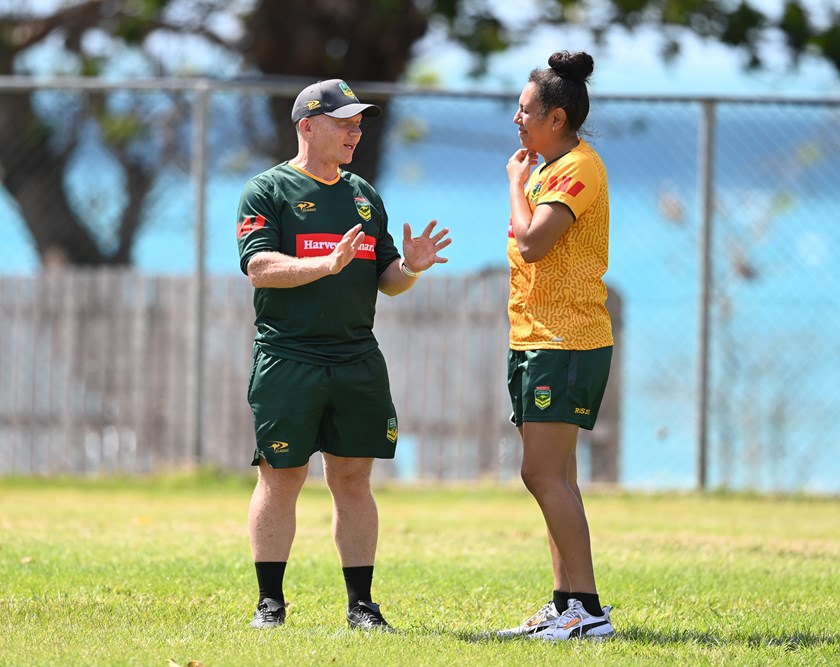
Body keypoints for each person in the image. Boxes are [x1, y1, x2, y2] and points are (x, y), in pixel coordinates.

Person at [235, 78, 451, 631]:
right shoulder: (268, 190)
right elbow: (260, 268)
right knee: (281, 474)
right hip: (288, 357)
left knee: (354, 478)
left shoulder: (364, 195)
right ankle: (270, 605)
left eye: (359, 122)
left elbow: (386, 278)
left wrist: (413, 268)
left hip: (356, 358)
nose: (356, 131)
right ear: (307, 125)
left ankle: (362, 606)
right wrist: (324, 266)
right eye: (344, 121)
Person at [496, 51, 615, 641]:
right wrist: (526, 180)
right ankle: (566, 604)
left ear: (558, 118)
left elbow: (535, 242)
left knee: (541, 475)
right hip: (537, 338)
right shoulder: (550, 165)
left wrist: (515, 184)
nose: (516, 120)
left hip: (566, 341)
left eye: (524, 111)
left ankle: (588, 609)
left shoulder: (576, 169)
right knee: (556, 478)